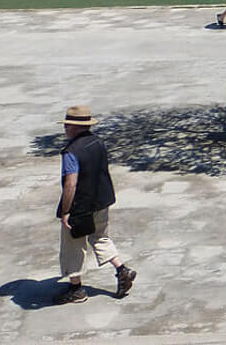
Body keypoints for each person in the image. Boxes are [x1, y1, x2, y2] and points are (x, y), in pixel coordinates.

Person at [54, 106, 136, 304]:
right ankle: (121, 270)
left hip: (81, 206)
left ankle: (76, 289)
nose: (65, 127)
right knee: (100, 237)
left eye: (67, 124)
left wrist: (66, 211)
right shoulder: (98, 142)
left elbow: (71, 183)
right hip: (102, 200)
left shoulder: (71, 152)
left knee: (73, 245)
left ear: (74, 127)